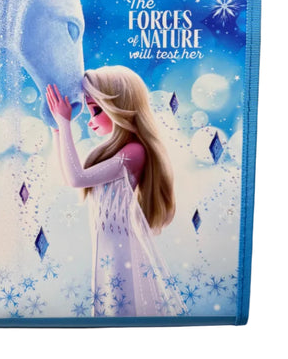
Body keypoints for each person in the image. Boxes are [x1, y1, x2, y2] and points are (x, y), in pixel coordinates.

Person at [46, 65, 185, 317]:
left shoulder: (134, 152)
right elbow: (70, 177)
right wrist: (57, 131)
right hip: (109, 244)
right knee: (109, 302)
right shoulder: (115, 151)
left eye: (96, 109)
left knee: (123, 303)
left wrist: (65, 125)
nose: (90, 120)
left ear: (118, 107)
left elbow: (77, 178)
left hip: (123, 246)